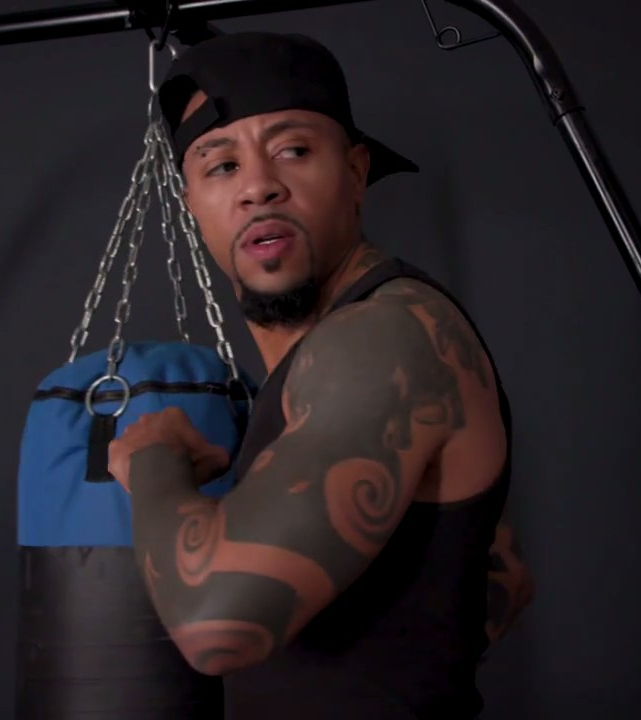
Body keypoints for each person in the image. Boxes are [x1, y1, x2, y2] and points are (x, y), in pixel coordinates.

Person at [107, 31, 533, 718]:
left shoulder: (381, 336)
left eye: (293, 151)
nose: (258, 186)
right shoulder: (344, 350)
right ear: (192, 205)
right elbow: (504, 576)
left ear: (357, 172)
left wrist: (155, 461)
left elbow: (216, 628)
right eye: (221, 166)